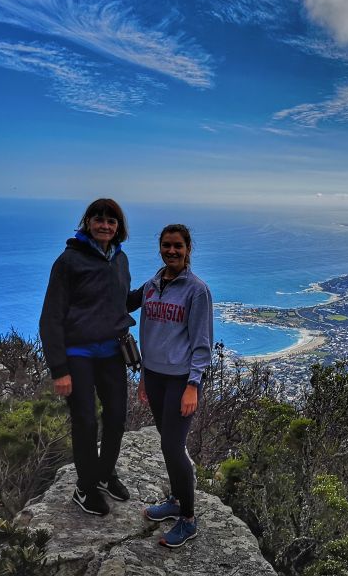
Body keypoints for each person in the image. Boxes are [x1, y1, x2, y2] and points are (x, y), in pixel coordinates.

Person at [40, 199, 134, 516]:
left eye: (112, 221)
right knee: (85, 421)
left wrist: (156, 287)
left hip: (111, 352)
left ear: (119, 227)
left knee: (118, 417)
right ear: (88, 222)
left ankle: (105, 474)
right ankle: (85, 487)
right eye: (99, 219)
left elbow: (120, 302)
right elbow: (50, 317)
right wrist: (59, 370)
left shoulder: (120, 260)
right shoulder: (68, 261)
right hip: (78, 352)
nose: (105, 225)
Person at [129, 224, 213, 548]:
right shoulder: (152, 285)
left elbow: (202, 344)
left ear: (188, 248)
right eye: (167, 245)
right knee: (168, 441)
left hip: (181, 380)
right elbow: (128, 308)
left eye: (178, 246)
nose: (172, 251)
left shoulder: (197, 290)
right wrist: (144, 379)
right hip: (155, 377)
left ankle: (188, 520)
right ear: (160, 248)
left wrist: (193, 385)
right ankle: (176, 501)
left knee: (172, 447)